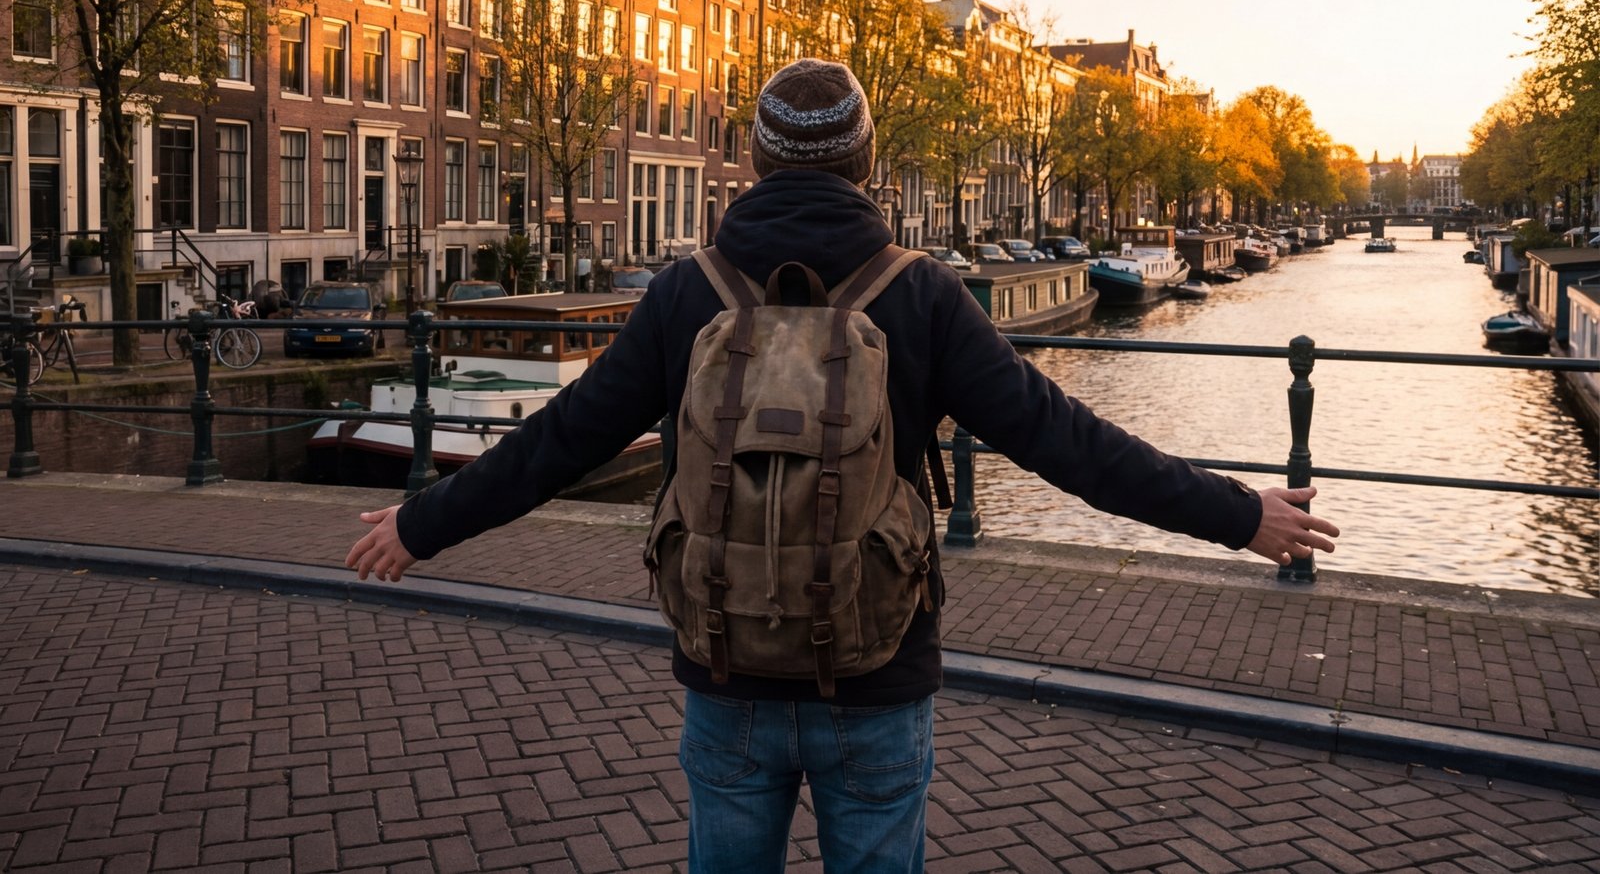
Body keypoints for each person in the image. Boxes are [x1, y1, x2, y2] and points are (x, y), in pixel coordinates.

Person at [346, 57, 1339, 874]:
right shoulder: (921, 296)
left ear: (754, 159)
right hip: (875, 672)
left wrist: (418, 525)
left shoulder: (686, 292)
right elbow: (1066, 441)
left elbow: (559, 442)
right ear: (866, 160)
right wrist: (1238, 515)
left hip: (727, 668)